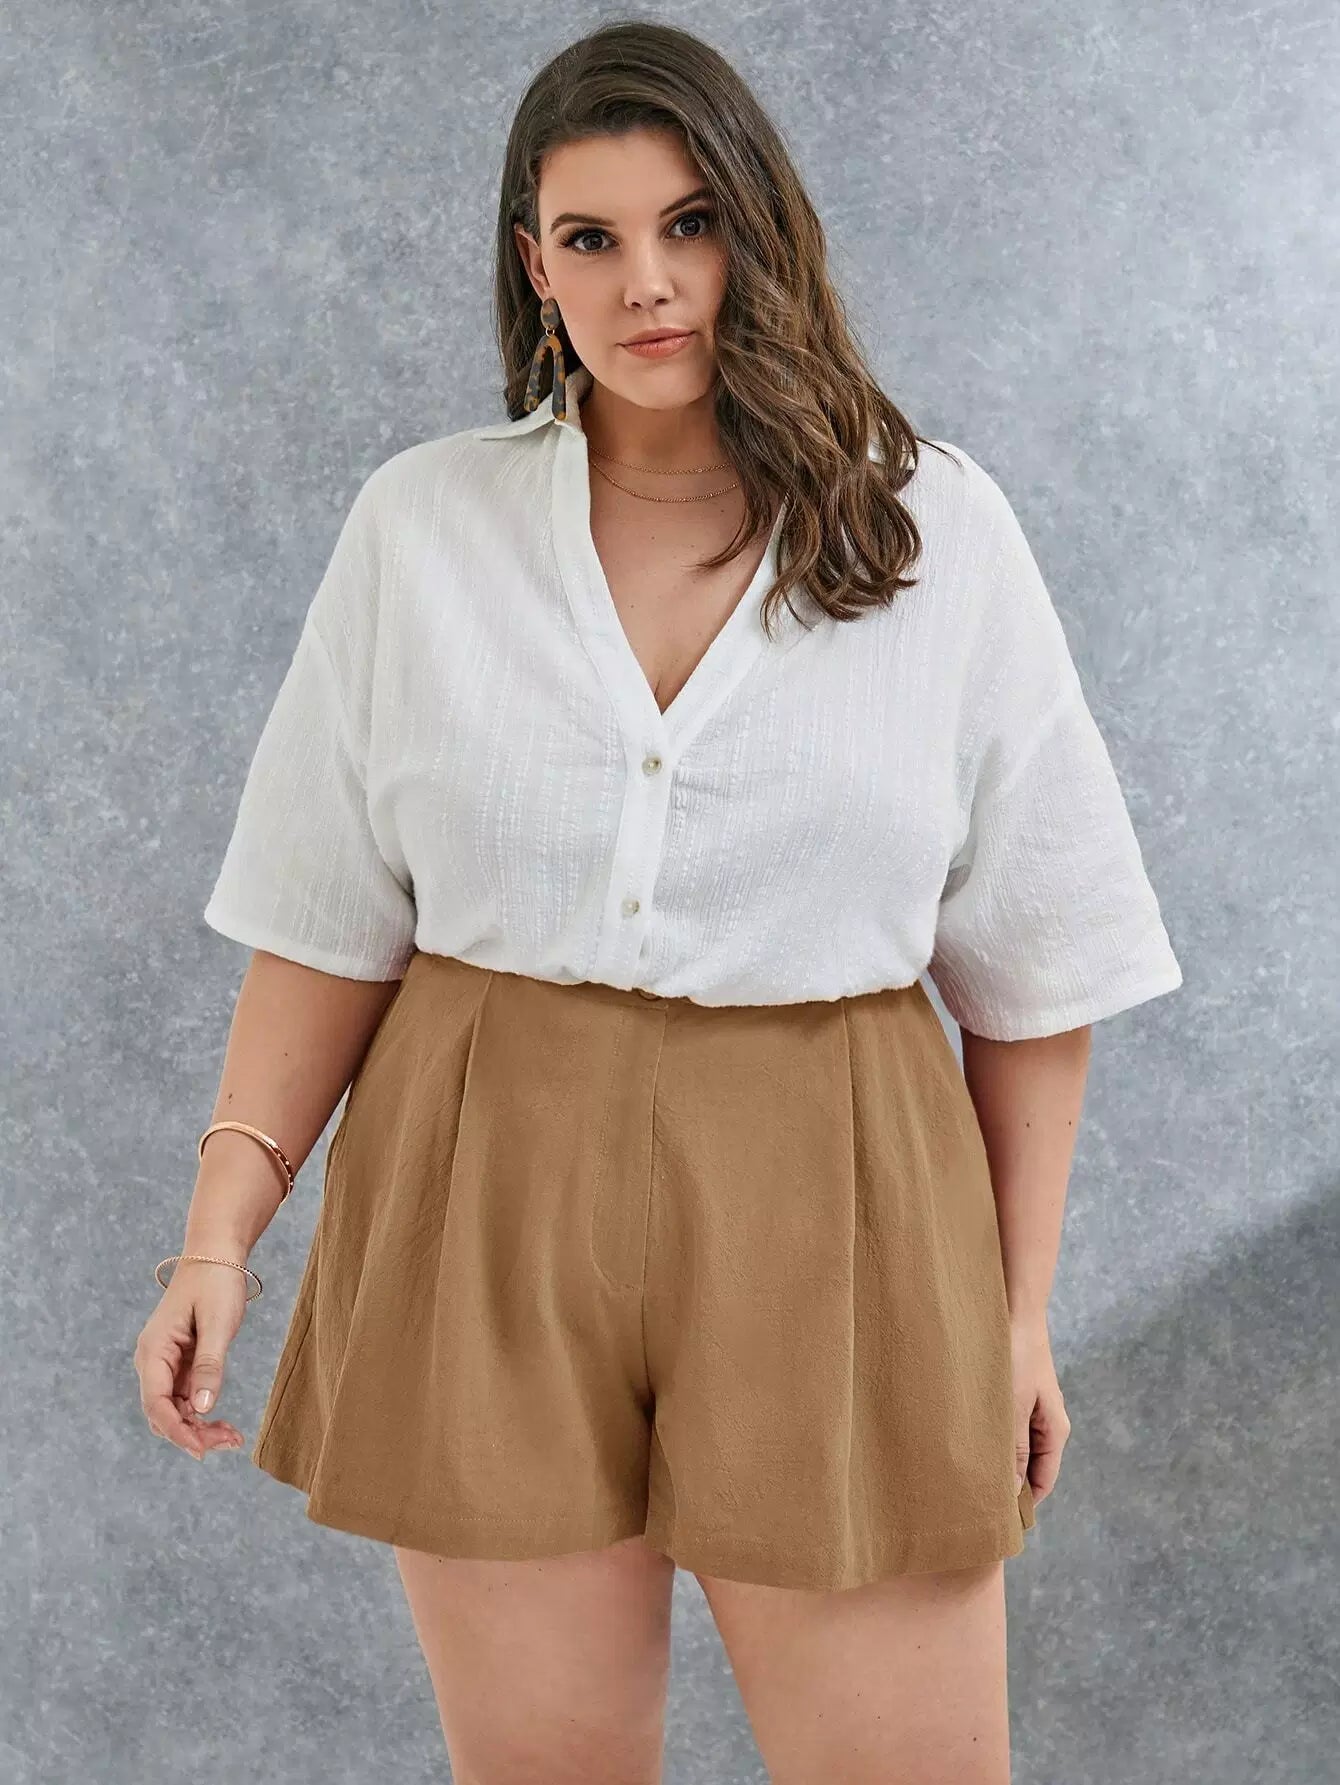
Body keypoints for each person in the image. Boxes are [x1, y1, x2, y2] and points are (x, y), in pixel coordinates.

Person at [133, 19, 1183, 1784]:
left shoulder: (936, 532)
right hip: (483, 1177)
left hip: (838, 1189)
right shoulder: (421, 527)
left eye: (690, 223)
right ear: (533, 267)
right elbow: (327, 916)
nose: (649, 281)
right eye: (593, 236)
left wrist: (1014, 1316)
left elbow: (1034, 964)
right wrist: (216, 1236)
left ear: (761, 228)